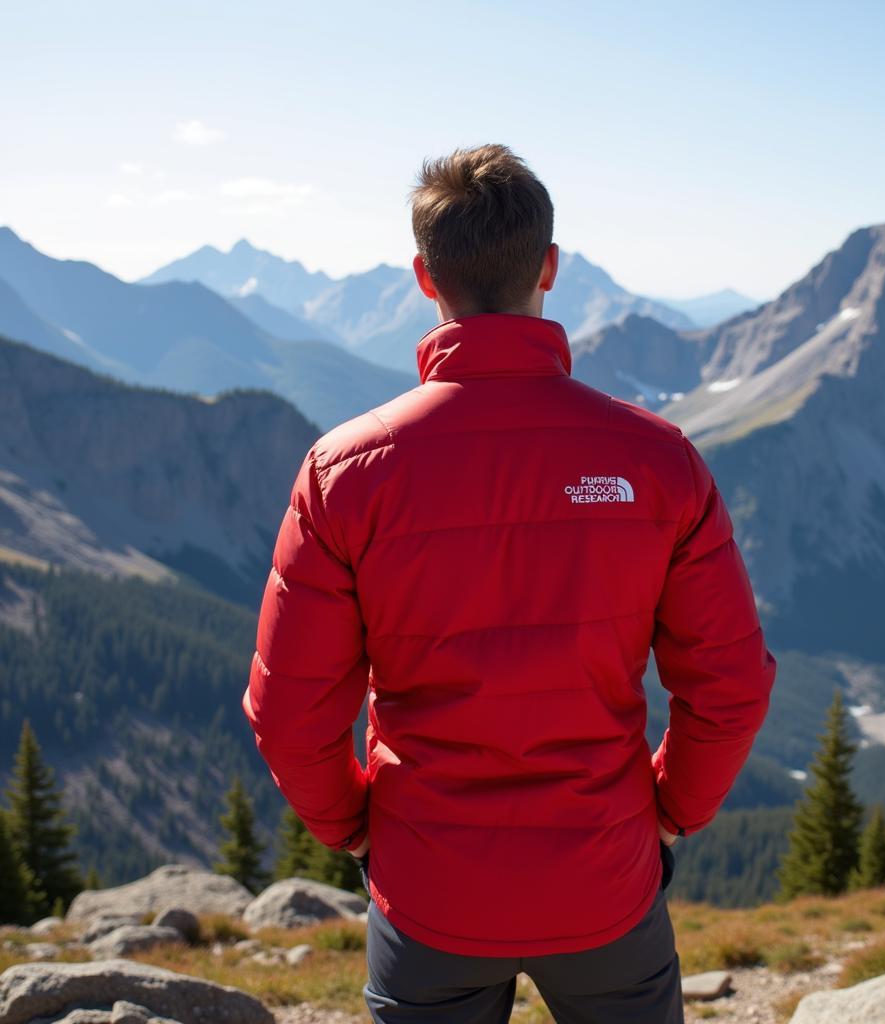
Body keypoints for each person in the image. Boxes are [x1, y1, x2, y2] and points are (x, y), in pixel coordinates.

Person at [242, 143, 776, 1023]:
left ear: (423, 277)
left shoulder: (344, 470)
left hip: (428, 894)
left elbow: (288, 711)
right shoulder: (658, 459)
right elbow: (732, 686)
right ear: (551, 267)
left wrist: (355, 828)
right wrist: (668, 814)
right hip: (606, 884)